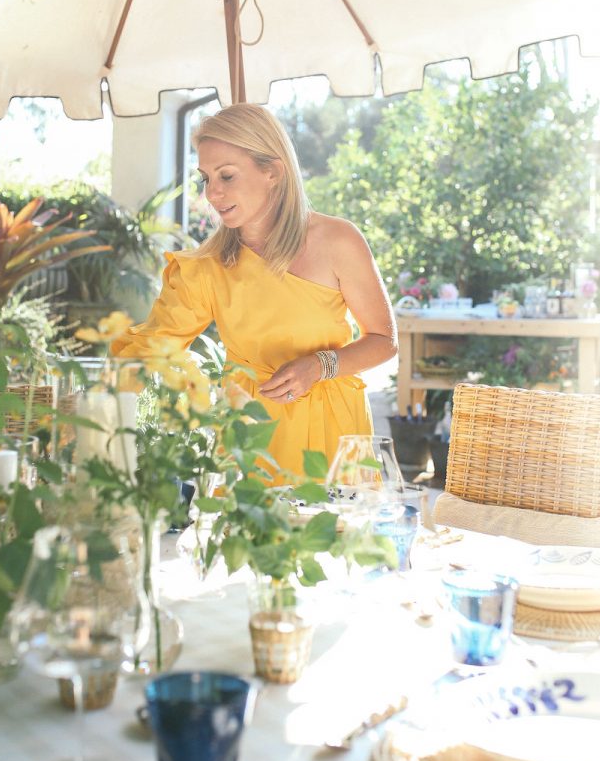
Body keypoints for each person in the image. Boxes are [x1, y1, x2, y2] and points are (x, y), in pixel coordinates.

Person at [113, 103, 397, 479]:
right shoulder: (207, 266)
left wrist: (320, 366)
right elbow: (149, 349)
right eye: (206, 178)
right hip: (249, 436)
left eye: (226, 176)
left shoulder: (337, 240)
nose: (212, 194)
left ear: (273, 172)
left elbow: (383, 339)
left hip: (334, 436)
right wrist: (95, 403)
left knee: (338, 536)